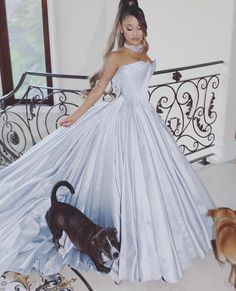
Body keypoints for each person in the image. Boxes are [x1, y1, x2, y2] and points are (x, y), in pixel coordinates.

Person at [0, 0, 215, 284]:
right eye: (130, 28)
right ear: (121, 29)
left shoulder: (145, 52)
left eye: (139, 27)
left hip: (146, 121)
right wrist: (76, 116)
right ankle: (121, 241)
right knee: (126, 177)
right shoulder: (116, 56)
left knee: (156, 178)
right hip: (123, 119)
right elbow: (100, 88)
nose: (136, 33)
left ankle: (162, 239)